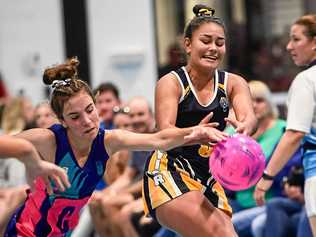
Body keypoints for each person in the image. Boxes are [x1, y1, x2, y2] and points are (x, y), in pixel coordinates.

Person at [3, 57, 225, 237]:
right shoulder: (48, 140)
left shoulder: (108, 141)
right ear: (62, 120)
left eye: (90, 110)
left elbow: (160, 139)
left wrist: (193, 132)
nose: (87, 121)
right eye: (75, 116)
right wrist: (30, 159)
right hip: (25, 231)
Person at [142, 4, 257, 237]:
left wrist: (245, 127)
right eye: (205, 41)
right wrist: (195, 132)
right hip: (170, 169)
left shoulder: (233, 82)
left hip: (208, 174)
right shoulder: (171, 82)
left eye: (219, 42)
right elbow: (163, 134)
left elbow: (249, 116)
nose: (213, 48)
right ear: (187, 44)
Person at [254, 14, 316, 237]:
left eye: (296, 39)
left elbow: (294, 134)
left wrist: (266, 177)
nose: (289, 46)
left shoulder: (307, 80)